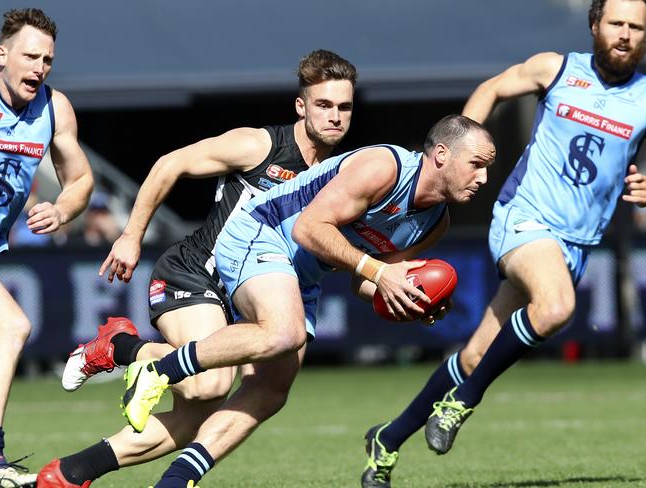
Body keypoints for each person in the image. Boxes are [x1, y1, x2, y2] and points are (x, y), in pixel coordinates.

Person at [36, 49, 357, 488]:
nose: (335, 116)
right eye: (324, 105)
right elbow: (171, 164)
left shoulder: (343, 175)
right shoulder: (260, 145)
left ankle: (70, 473)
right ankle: (123, 348)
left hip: (249, 300)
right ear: (301, 106)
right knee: (208, 386)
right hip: (194, 275)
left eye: (344, 107)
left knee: (210, 411)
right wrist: (131, 236)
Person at [119, 114, 495, 487]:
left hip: (303, 272)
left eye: (487, 169)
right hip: (263, 231)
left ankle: (175, 480)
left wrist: (408, 297)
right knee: (284, 333)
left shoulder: (435, 222)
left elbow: (364, 283)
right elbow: (308, 228)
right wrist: (381, 274)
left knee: (271, 389)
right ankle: (157, 370)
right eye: (476, 165)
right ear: (442, 155)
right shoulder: (384, 167)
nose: (483, 179)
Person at [359, 1, 646, 486]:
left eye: (637, 27)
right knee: (555, 308)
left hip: (575, 245)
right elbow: (492, 88)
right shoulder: (555, 69)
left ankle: (387, 440)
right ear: (595, 25)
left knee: (474, 357)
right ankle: (464, 401)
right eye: (616, 23)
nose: (625, 34)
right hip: (525, 220)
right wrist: (459, 154)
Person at [0, 8, 94, 487]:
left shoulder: (54, 109)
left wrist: (61, 210)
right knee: (11, 327)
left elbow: (80, 179)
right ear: (1, 54)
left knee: (10, 329)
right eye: (30, 56)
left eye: (48, 59)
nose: (39, 67)